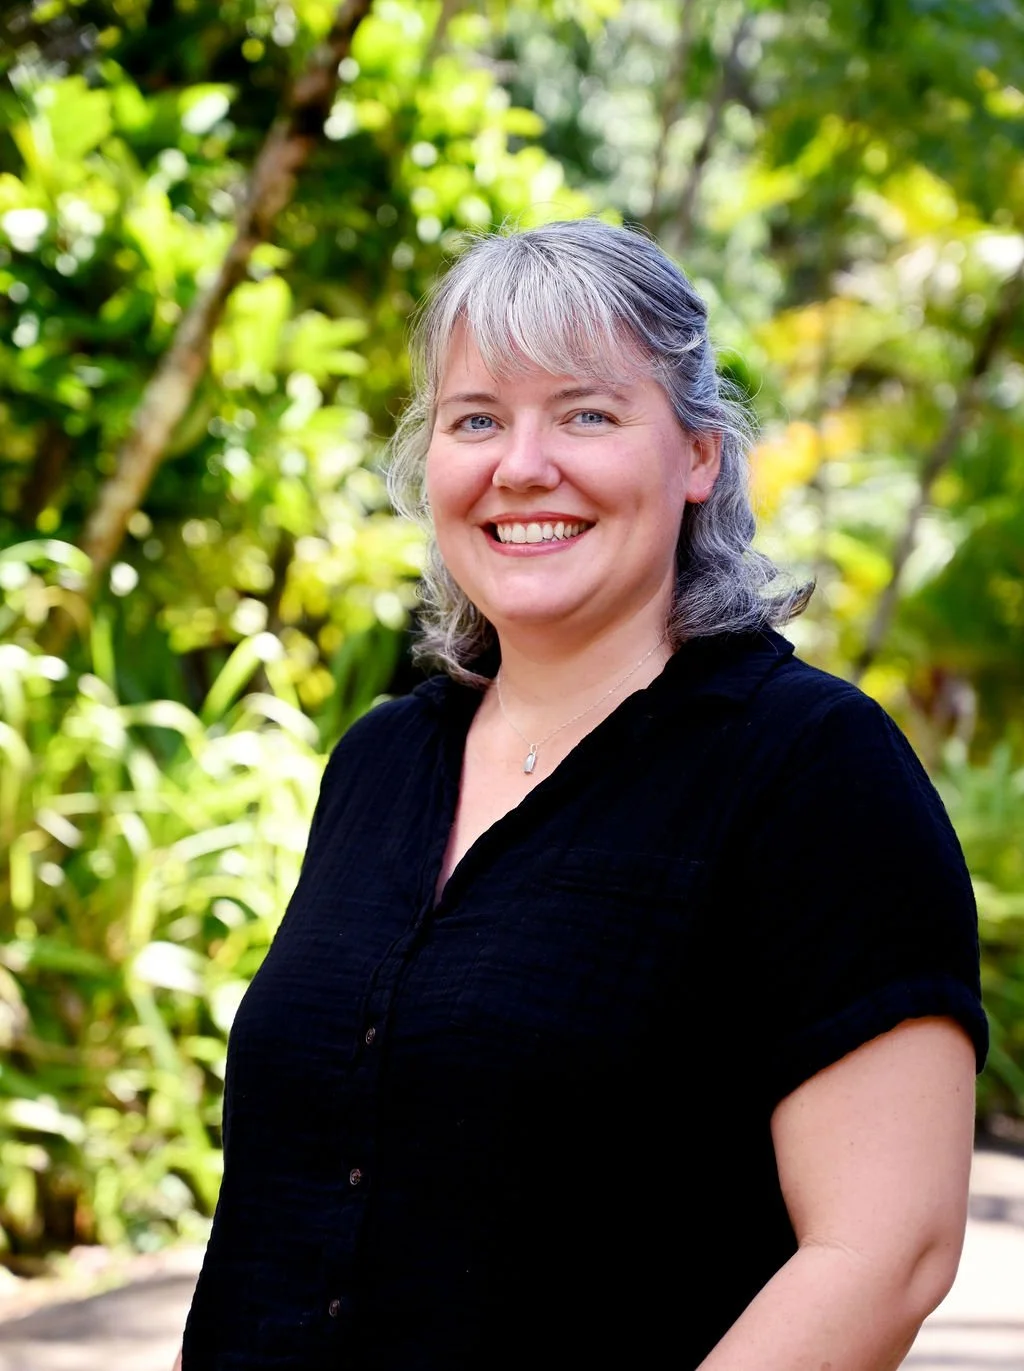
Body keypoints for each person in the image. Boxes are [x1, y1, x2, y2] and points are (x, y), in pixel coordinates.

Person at [177, 218, 988, 1371]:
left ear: (698, 455)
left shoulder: (812, 769)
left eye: (586, 413)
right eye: (476, 420)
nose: (521, 465)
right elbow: (274, 1214)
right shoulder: (380, 760)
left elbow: (884, 1249)